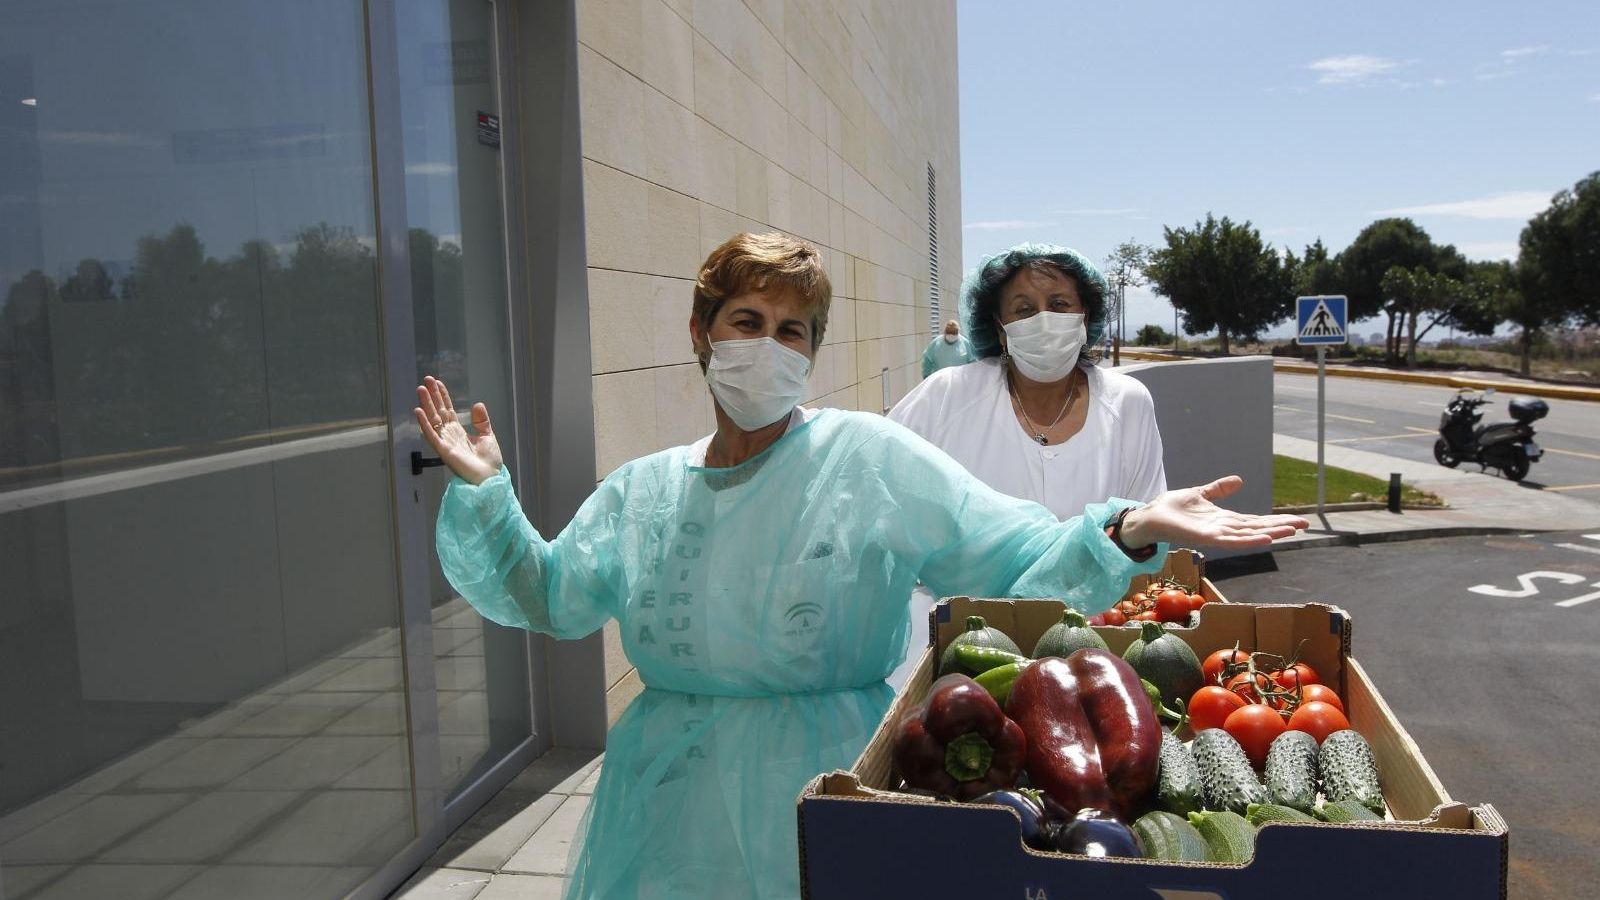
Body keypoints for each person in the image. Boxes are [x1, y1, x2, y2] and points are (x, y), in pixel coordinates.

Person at [414, 232, 1307, 900]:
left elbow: (1013, 550)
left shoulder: (869, 460)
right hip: (664, 812)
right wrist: (490, 498)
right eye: (747, 321)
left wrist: (1123, 527)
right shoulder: (643, 492)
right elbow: (547, 595)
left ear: (812, 351)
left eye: (793, 331)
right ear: (701, 330)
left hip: (828, 785)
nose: (769, 346)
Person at [891, 243, 1166, 521]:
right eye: (1023, 309)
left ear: (1085, 318)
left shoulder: (1128, 402)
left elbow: (1147, 526)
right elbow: (878, 488)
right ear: (1000, 329)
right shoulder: (945, 397)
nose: (1044, 320)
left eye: (1059, 304)